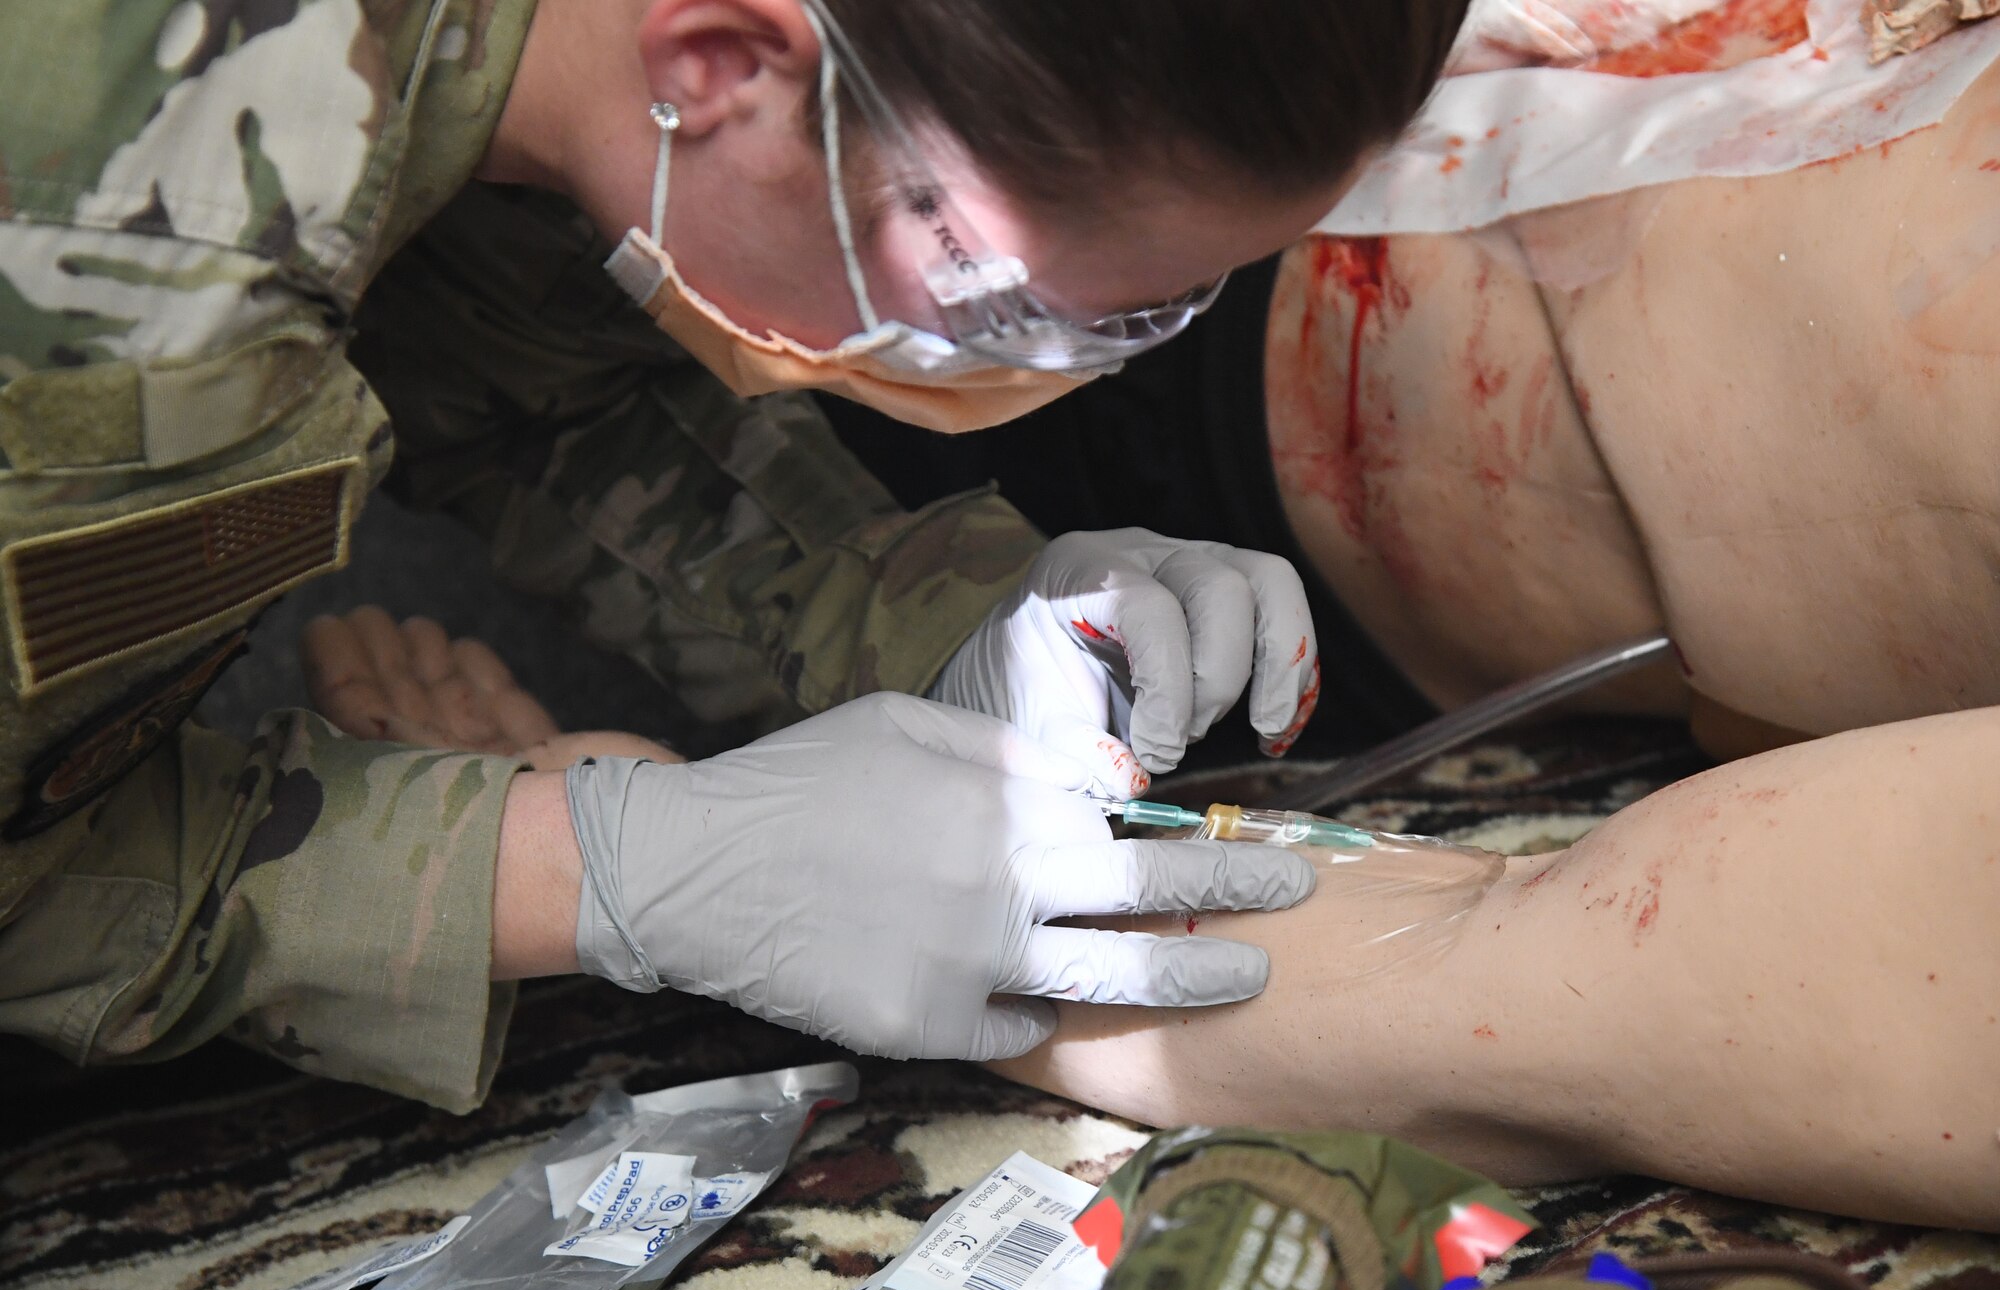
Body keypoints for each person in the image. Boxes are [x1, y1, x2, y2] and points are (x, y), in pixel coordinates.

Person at [338, 54, 2000, 1226]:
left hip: (1253, 364)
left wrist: (665, 833)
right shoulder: (129, 183)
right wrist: (566, 869)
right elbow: (63, 882)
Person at [0, 0, 1473, 1109]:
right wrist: (604, 865)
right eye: (1013, 307)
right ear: (719, 64)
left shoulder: (570, 79)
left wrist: (942, 621)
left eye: (1145, 318)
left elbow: (523, 384)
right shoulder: (131, 254)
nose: (1038, 384)